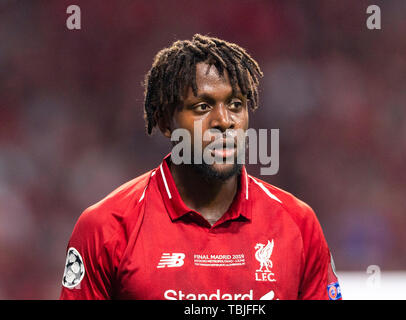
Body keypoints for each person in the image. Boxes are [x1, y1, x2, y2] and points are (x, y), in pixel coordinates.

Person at [59, 34, 342, 300]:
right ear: (165, 122)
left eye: (235, 104)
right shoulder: (107, 227)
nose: (224, 121)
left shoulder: (298, 224)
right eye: (203, 107)